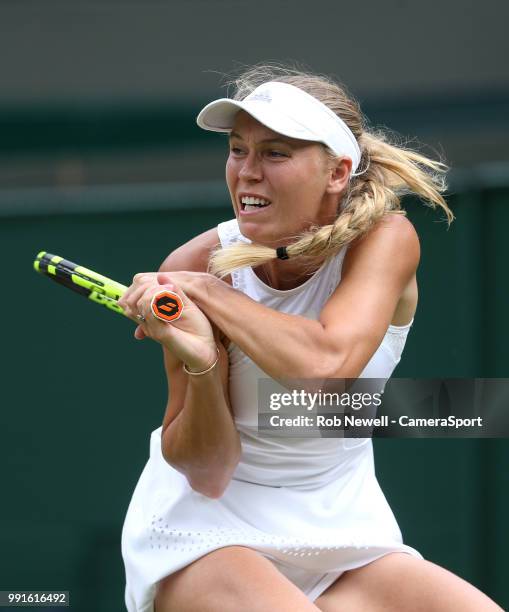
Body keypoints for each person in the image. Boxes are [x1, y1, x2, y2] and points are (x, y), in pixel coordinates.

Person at [119, 64, 503, 612]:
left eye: (275, 153)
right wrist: (204, 363)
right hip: (206, 536)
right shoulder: (193, 262)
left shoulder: (386, 239)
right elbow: (206, 473)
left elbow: (327, 368)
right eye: (237, 149)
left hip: (343, 534)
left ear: (337, 172)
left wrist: (211, 295)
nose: (247, 171)